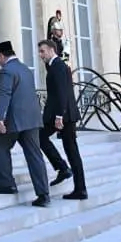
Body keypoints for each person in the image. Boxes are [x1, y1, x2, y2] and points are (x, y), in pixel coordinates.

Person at [0, 41, 50, 207]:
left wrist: (0, 118)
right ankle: (44, 194)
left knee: (0, 146)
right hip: (32, 119)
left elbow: (5, 95)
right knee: (35, 155)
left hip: (14, 120)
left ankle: (8, 184)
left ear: (2, 55)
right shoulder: (25, 68)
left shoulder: (6, 71)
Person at [37, 40, 86, 200]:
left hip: (63, 115)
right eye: (40, 52)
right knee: (67, 149)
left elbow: (62, 92)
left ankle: (73, 180)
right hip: (63, 114)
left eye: (43, 51)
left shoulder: (57, 66)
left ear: (52, 50)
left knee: (70, 150)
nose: (40, 55)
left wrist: (59, 116)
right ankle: (66, 172)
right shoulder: (56, 65)